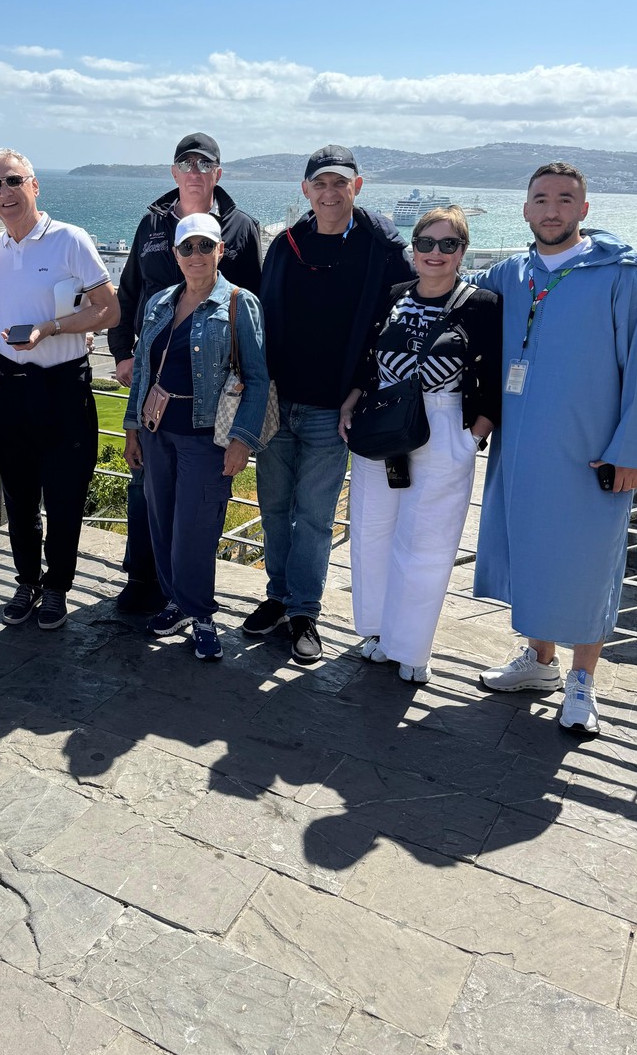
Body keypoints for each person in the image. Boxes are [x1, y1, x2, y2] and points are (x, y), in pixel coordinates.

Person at [471, 162, 637, 735]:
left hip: (591, 452)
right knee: (532, 552)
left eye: (565, 199)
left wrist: (634, 449)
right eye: (541, 199)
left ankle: (582, 682)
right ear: (525, 209)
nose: (552, 209)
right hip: (520, 447)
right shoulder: (507, 274)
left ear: (585, 210)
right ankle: (540, 662)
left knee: (589, 563)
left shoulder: (622, 278)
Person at [249, 144, 414, 664]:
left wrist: (359, 391)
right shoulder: (286, 246)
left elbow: (392, 330)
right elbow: (259, 320)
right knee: (274, 510)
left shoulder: (380, 252)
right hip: (278, 402)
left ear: (356, 188)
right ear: (305, 191)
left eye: (339, 183)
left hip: (331, 408)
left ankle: (305, 612)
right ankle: (278, 598)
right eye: (319, 183)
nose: (329, 192)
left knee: (316, 517)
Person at [339, 206, 502, 683]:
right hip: (381, 421)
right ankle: (377, 631)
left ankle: (411, 647)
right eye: (426, 243)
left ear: (462, 251)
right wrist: (350, 403)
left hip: (444, 421)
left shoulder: (483, 305)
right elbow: (369, 360)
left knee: (427, 541)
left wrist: (473, 437)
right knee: (371, 532)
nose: (435, 253)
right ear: (413, 250)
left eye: (447, 244)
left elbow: (493, 375)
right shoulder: (393, 296)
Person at [109, 132, 263, 614]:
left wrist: (241, 425)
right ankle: (145, 580)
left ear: (218, 173)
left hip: (208, 401)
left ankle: (189, 603)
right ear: (174, 172)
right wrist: (122, 354)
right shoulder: (152, 223)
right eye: (186, 163)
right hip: (152, 387)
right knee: (149, 495)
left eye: (205, 164)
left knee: (193, 509)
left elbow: (251, 308)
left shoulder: (241, 227)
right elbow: (129, 288)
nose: (195, 171)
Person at [0, 147, 119, 629]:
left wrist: (52, 327)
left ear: (35, 186)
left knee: (63, 496)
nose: (4, 193)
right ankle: (26, 582)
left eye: (12, 181)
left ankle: (57, 587)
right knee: (18, 496)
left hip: (63, 385)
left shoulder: (70, 240)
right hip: (11, 387)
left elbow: (110, 308)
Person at [122, 213, 269, 661]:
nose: (196, 256)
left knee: (197, 529)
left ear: (220, 251)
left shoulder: (239, 303)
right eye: (187, 248)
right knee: (162, 523)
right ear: (176, 255)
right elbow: (144, 370)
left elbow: (258, 379)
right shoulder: (161, 301)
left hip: (207, 437)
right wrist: (132, 430)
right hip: (156, 431)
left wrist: (242, 439)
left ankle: (202, 615)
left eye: (205, 246)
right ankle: (177, 603)